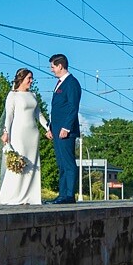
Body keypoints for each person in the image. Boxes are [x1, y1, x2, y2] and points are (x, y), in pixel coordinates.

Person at [0, 68, 48, 205]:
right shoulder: (12, 95)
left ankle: (31, 196)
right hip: (19, 133)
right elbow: (9, 116)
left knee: (33, 163)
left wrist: (48, 128)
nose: (31, 81)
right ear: (22, 79)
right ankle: (13, 195)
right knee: (20, 163)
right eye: (29, 78)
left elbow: (39, 114)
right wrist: (6, 132)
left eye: (31, 78)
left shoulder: (33, 95)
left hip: (33, 133)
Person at [46, 53, 81, 203]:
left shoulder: (71, 83)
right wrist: (50, 127)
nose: (51, 70)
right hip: (57, 129)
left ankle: (69, 195)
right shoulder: (60, 83)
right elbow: (57, 108)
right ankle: (62, 194)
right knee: (61, 163)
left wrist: (66, 127)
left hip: (65, 131)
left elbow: (73, 107)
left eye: (52, 67)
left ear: (60, 66)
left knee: (68, 162)